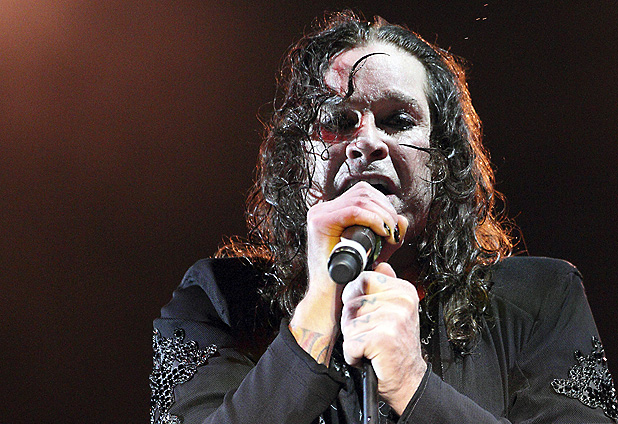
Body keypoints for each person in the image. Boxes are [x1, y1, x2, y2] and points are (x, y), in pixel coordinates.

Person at [149, 11, 618, 424]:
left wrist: (412, 383)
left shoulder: (542, 299)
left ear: (443, 161)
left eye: (398, 121)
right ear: (296, 160)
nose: (368, 142)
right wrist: (316, 313)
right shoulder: (216, 301)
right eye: (338, 121)